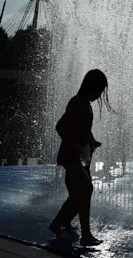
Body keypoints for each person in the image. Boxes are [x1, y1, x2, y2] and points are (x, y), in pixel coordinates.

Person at [49, 69, 114, 246]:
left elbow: (81, 128)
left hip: (81, 156)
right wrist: (75, 146)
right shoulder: (77, 103)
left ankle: (59, 224)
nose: (100, 94)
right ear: (91, 87)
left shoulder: (85, 104)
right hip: (71, 156)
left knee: (78, 195)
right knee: (85, 189)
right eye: (99, 90)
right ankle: (85, 235)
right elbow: (61, 126)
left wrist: (92, 140)